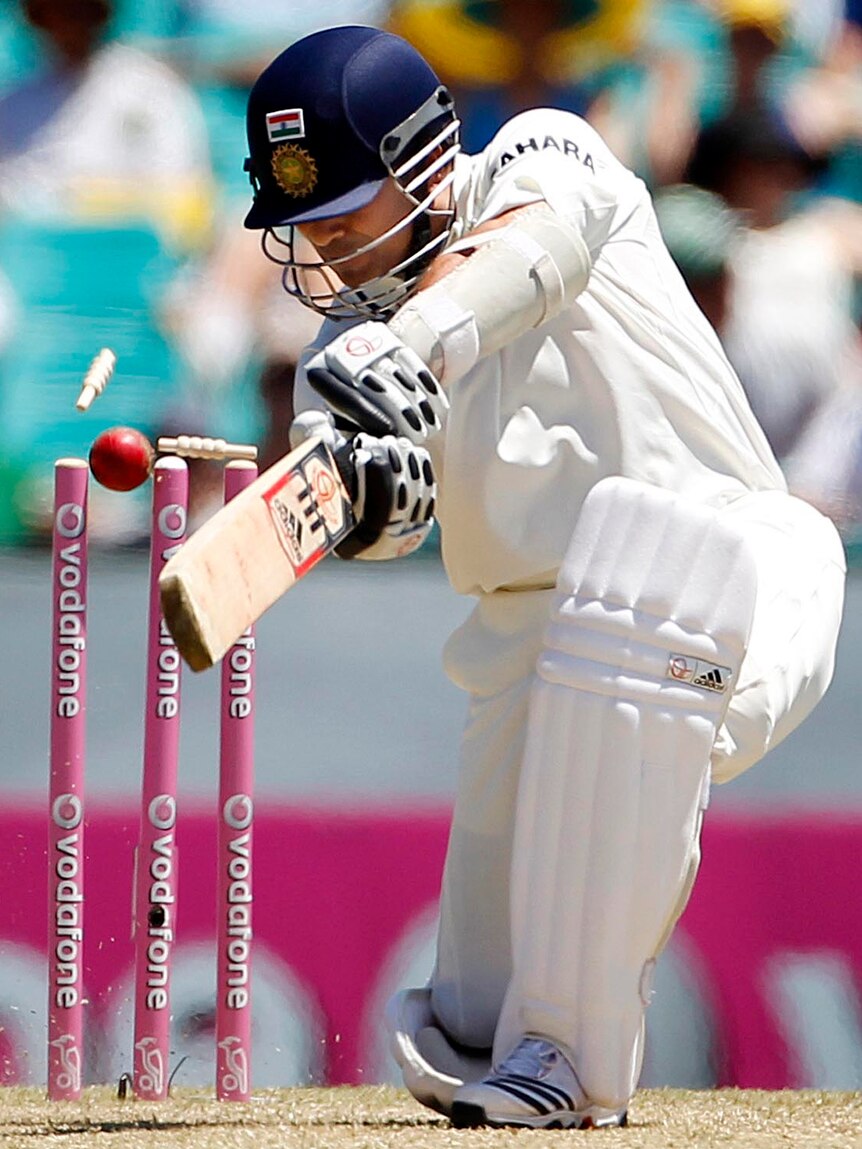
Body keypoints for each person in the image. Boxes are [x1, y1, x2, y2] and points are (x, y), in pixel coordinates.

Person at [242, 24, 846, 1129]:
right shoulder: (343, 358)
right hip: (531, 655)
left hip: (737, 559)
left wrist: (414, 342)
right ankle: (518, 1047)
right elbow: (376, 530)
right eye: (306, 231)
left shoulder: (542, 155)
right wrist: (367, 486)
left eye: (343, 217)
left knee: (624, 646)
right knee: (471, 1019)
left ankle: (572, 1058)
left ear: (420, 162)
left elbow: (531, 253)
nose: (325, 254)